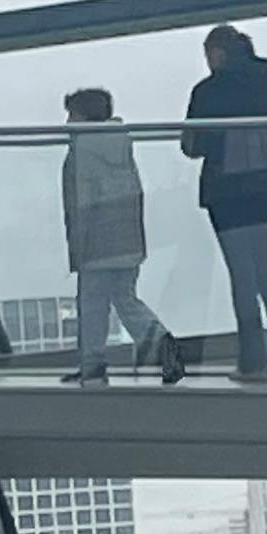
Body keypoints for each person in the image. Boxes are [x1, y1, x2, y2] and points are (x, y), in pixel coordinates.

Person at [180, 26, 267, 383]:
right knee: (264, 268)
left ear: (217, 52)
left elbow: (191, 145)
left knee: (242, 273)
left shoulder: (208, 91)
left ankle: (253, 362)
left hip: (226, 189)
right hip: (265, 186)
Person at [59, 89, 184, 385]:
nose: (67, 122)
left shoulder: (83, 149)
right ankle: (161, 343)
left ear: (85, 117)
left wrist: (78, 245)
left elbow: (82, 201)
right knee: (125, 298)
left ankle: (93, 364)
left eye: (72, 115)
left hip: (96, 241)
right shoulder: (120, 144)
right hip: (126, 239)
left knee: (92, 304)